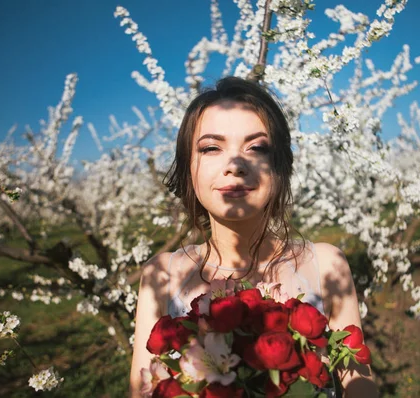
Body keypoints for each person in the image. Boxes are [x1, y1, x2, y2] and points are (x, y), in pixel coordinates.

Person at [129, 77, 378, 397]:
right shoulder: (161, 275)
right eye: (211, 148)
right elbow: (143, 390)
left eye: (257, 147)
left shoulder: (327, 265)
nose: (235, 164)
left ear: (280, 168)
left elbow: (359, 385)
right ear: (188, 167)